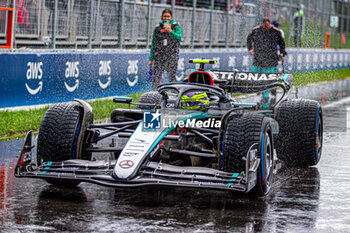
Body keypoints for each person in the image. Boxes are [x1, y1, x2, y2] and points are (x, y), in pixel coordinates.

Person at [247, 18, 287, 109]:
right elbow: (249, 39)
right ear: (262, 24)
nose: (266, 27)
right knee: (256, 74)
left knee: (268, 76)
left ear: (270, 25)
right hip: (258, 58)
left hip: (270, 59)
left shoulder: (276, 32)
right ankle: (259, 90)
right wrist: (249, 49)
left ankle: (266, 95)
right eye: (265, 26)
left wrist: (283, 54)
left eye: (268, 26)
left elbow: (282, 44)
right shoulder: (256, 30)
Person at [149, 9, 182, 90]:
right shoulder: (157, 29)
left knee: (172, 78)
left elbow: (179, 38)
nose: (166, 18)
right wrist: (151, 58)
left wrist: (170, 31)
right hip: (159, 57)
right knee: (156, 78)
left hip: (171, 57)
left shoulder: (176, 27)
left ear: (171, 17)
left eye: (168, 16)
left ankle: (174, 95)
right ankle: (154, 95)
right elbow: (153, 43)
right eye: (165, 16)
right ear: (161, 17)